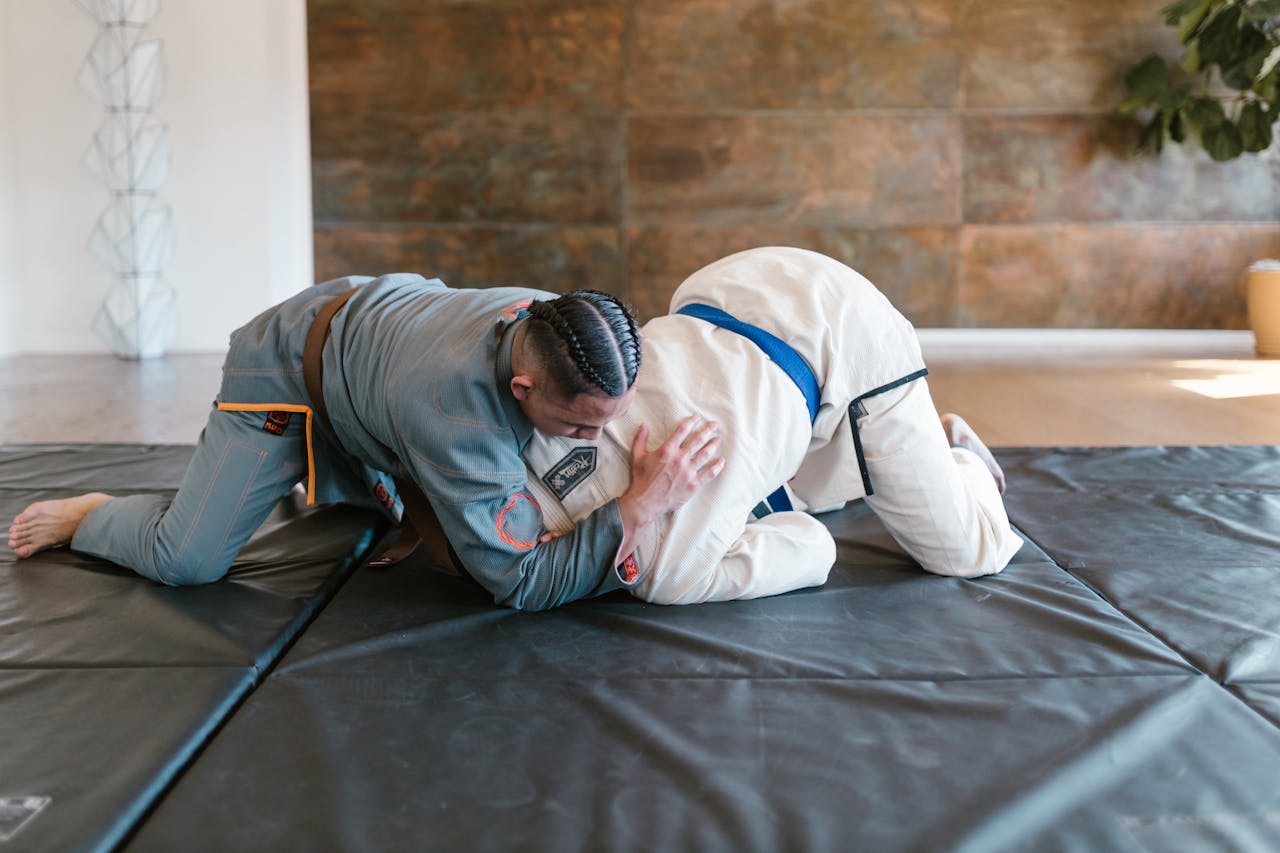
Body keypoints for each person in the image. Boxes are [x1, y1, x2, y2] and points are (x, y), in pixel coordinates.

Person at [7, 274, 724, 611]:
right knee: (186, 559)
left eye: (612, 418)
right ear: (523, 390)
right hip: (287, 369)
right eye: (580, 427)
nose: (597, 439)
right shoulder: (459, 415)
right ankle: (93, 514)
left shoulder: (561, 326)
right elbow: (521, 582)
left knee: (410, 515)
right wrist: (636, 507)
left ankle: (369, 472)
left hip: (375, 354)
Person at [523, 247, 1022, 605]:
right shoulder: (517, 437)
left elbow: (816, 547)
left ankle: (958, 459)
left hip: (844, 336)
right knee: (805, 491)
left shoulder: (666, 572)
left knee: (969, 551)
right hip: (736, 284)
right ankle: (921, 436)